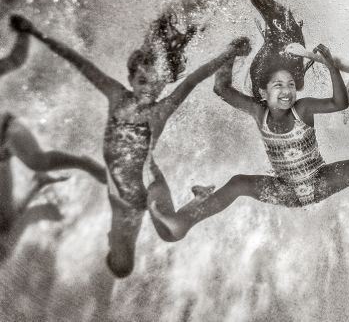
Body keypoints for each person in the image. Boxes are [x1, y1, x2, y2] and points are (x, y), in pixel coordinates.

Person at [11, 14, 251, 278]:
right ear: (131, 78)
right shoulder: (116, 95)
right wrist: (35, 32)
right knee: (123, 266)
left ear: (163, 83)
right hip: (123, 195)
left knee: (172, 232)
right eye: (142, 81)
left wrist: (229, 53)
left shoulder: (160, 111)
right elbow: (79, 62)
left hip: (149, 186)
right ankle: (143, 230)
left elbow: (192, 80)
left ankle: (197, 200)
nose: (148, 89)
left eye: (156, 83)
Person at [147, 44, 349, 240]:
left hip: (320, 180)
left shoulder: (302, 109)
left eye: (290, 84)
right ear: (263, 92)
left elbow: (339, 103)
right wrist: (230, 54)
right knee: (239, 183)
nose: (287, 90)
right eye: (278, 85)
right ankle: (183, 222)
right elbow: (221, 89)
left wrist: (329, 64)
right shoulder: (257, 111)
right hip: (285, 190)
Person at [2, 15, 105, 237]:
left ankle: (84, 164)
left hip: (6, 130)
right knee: (7, 224)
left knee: (37, 161)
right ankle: (39, 185)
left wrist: (24, 32)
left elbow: (16, 59)